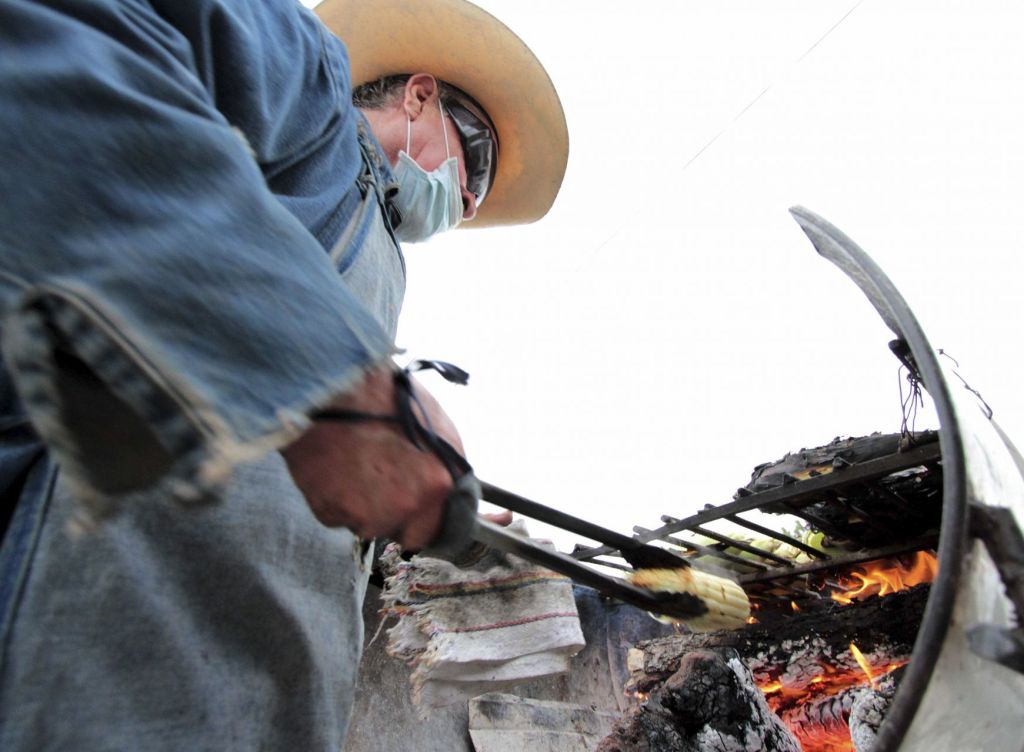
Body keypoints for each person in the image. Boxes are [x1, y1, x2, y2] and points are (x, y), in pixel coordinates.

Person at [0, 0, 568, 749]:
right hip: (81, 637)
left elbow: (297, 466)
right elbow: (48, 48)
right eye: (478, 163)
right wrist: (335, 377)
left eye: (479, 201)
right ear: (420, 95)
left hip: (257, 696)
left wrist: (395, 515)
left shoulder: (379, 274)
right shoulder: (305, 79)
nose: (466, 201)